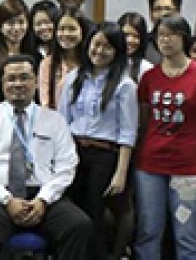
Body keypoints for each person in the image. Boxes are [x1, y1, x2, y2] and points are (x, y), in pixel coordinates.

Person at [0, 54, 93, 259]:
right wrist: (7, 200)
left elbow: (67, 166)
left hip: (44, 194)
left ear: (35, 82)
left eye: (24, 77)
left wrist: (43, 199)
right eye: (11, 79)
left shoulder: (54, 120)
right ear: (3, 83)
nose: (17, 84)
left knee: (79, 225)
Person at [134, 14, 196, 260]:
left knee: (187, 235)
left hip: (189, 168)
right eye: (160, 35)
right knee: (148, 232)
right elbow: (144, 120)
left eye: (171, 35)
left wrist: (190, 137)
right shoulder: (149, 76)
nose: (165, 40)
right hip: (151, 165)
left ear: (183, 38)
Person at [58, 22, 138, 259]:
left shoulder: (125, 85)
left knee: (96, 213)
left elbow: (128, 133)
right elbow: (62, 122)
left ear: (117, 51)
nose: (100, 51)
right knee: (74, 213)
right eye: (96, 44)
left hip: (106, 156)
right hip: (74, 153)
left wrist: (121, 173)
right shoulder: (74, 78)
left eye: (108, 46)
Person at [0, 0, 36, 106]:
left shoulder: (34, 54)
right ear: (0, 26)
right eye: (10, 23)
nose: (16, 28)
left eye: (21, 22)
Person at [39, 8, 92, 109]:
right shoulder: (47, 63)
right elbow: (45, 104)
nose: (66, 33)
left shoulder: (91, 62)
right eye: (61, 29)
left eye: (72, 29)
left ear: (82, 31)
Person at [144, 0, 183, 64]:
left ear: (178, 13)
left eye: (168, 9)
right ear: (150, 14)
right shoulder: (143, 44)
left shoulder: (187, 43)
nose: (162, 14)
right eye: (157, 9)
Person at [118, 11, 153, 83]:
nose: (130, 40)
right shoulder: (105, 64)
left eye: (136, 36)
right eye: (126, 35)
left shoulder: (147, 69)